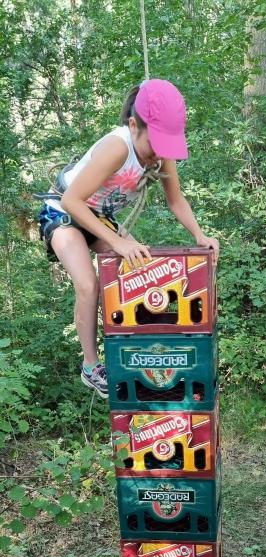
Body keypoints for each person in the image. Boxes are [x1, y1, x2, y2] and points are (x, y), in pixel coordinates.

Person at [38, 79, 220, 398]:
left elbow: (175, 200)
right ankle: (91, 366)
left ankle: (141, 348)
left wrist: (199, 234)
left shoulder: (161, 153)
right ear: (134, 125)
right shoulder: (117, 147)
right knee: (88, 283)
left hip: (99, 217)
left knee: (143, 268)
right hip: (65, 211)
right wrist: (118, 241)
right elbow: (72, 201)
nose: (158, 154)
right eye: (155, 143)